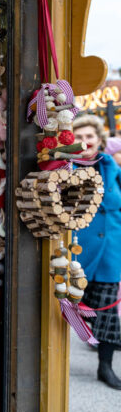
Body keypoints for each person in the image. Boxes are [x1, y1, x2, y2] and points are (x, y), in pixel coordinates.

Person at [75, 115, 121, 389]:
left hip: (110, 250)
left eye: (89, 136)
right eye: (78, 137)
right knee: (69, 305)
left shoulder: (111, 166)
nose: (84, 142)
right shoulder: (65, 167)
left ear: (99, 140)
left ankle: (105, 367)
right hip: (79, 248)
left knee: (106, 313)